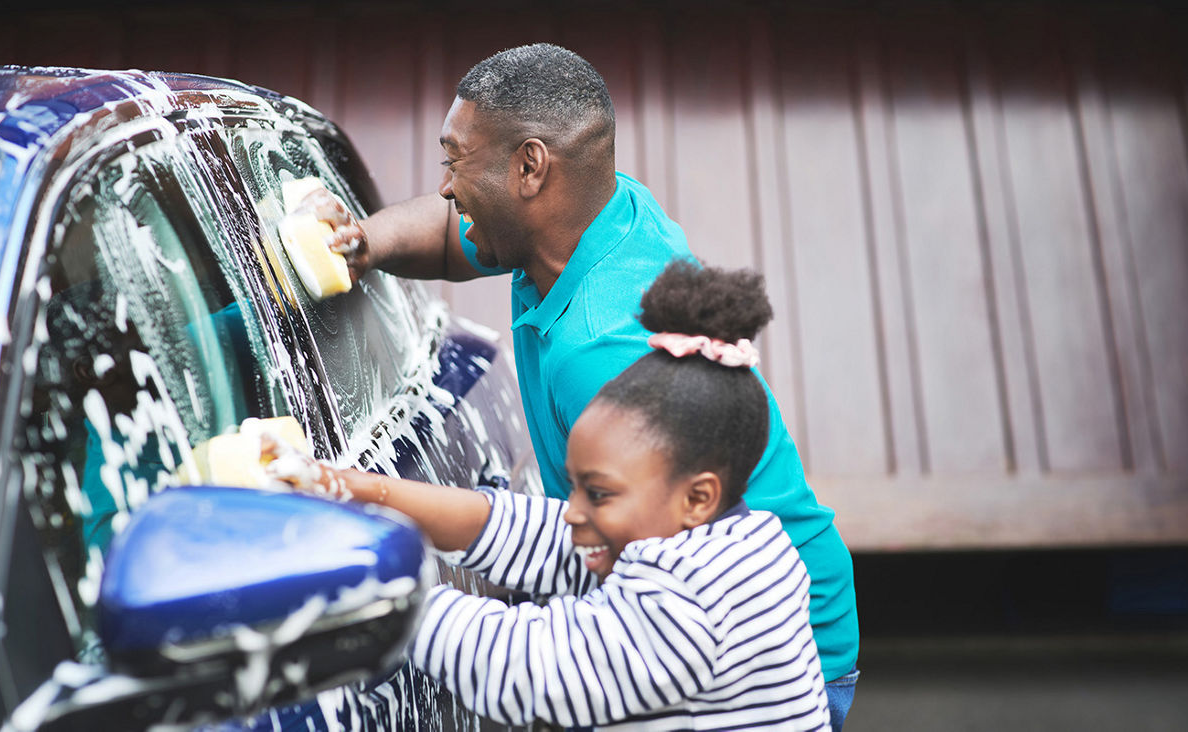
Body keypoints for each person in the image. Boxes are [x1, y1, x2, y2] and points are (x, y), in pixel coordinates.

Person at [301, 42, 859, 724]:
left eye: (456, 161)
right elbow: (556, 536)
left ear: (530, 167)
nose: (446, 185)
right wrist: (364, 242)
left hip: (764, 654)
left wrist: (365, 579)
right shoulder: (586, 216)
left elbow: (534, 668)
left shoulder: (604, 351)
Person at [265, 261, 831, 730]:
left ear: (698, 498)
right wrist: (358, 489)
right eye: (578, 486)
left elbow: (528, 668)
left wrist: (372, 585)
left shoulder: (690, 601)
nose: (575, 511)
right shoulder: (734, 539)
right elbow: (529, 531)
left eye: (600, 494)